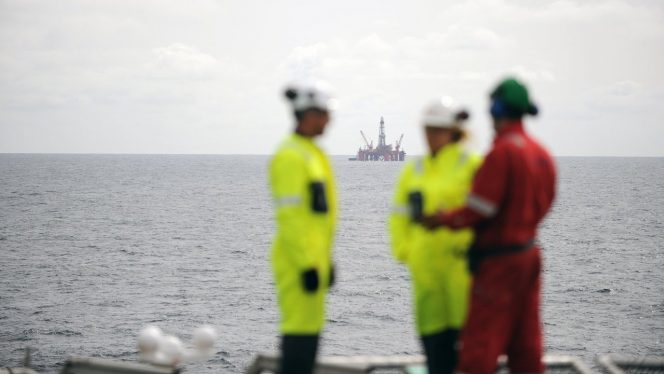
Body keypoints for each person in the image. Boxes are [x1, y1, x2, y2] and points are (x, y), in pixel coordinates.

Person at [421, 78, 557, 373]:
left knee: (480, 347)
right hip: (530, 256)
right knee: (526, 344)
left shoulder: (502, 153)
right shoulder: (541, 154)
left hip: (498, 263)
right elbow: (546, 203)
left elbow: (478, 209)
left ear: (496, 109)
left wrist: (441, 219)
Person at [389, 97, 482, 374]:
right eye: (428, 129)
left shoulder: (472, 165)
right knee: (435, 356)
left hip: (462, 276)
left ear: (453, 131)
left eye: (437, 129)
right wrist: (408, 253)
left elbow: (485, 215)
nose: (431, 135)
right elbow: (398, 216)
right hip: (426, 277)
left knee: (469, 358)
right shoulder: (414, 170)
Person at [269, 82, 337, 374]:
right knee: (298, 338)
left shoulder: (312, 153)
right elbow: (291, 218)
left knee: (309, 339)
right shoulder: (291, 156)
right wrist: (306, 264)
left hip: (313, 261)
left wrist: (326, 260)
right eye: (323, 114)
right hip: (300, 264)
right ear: (307, 114)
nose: (328, 120)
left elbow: (316, 220)